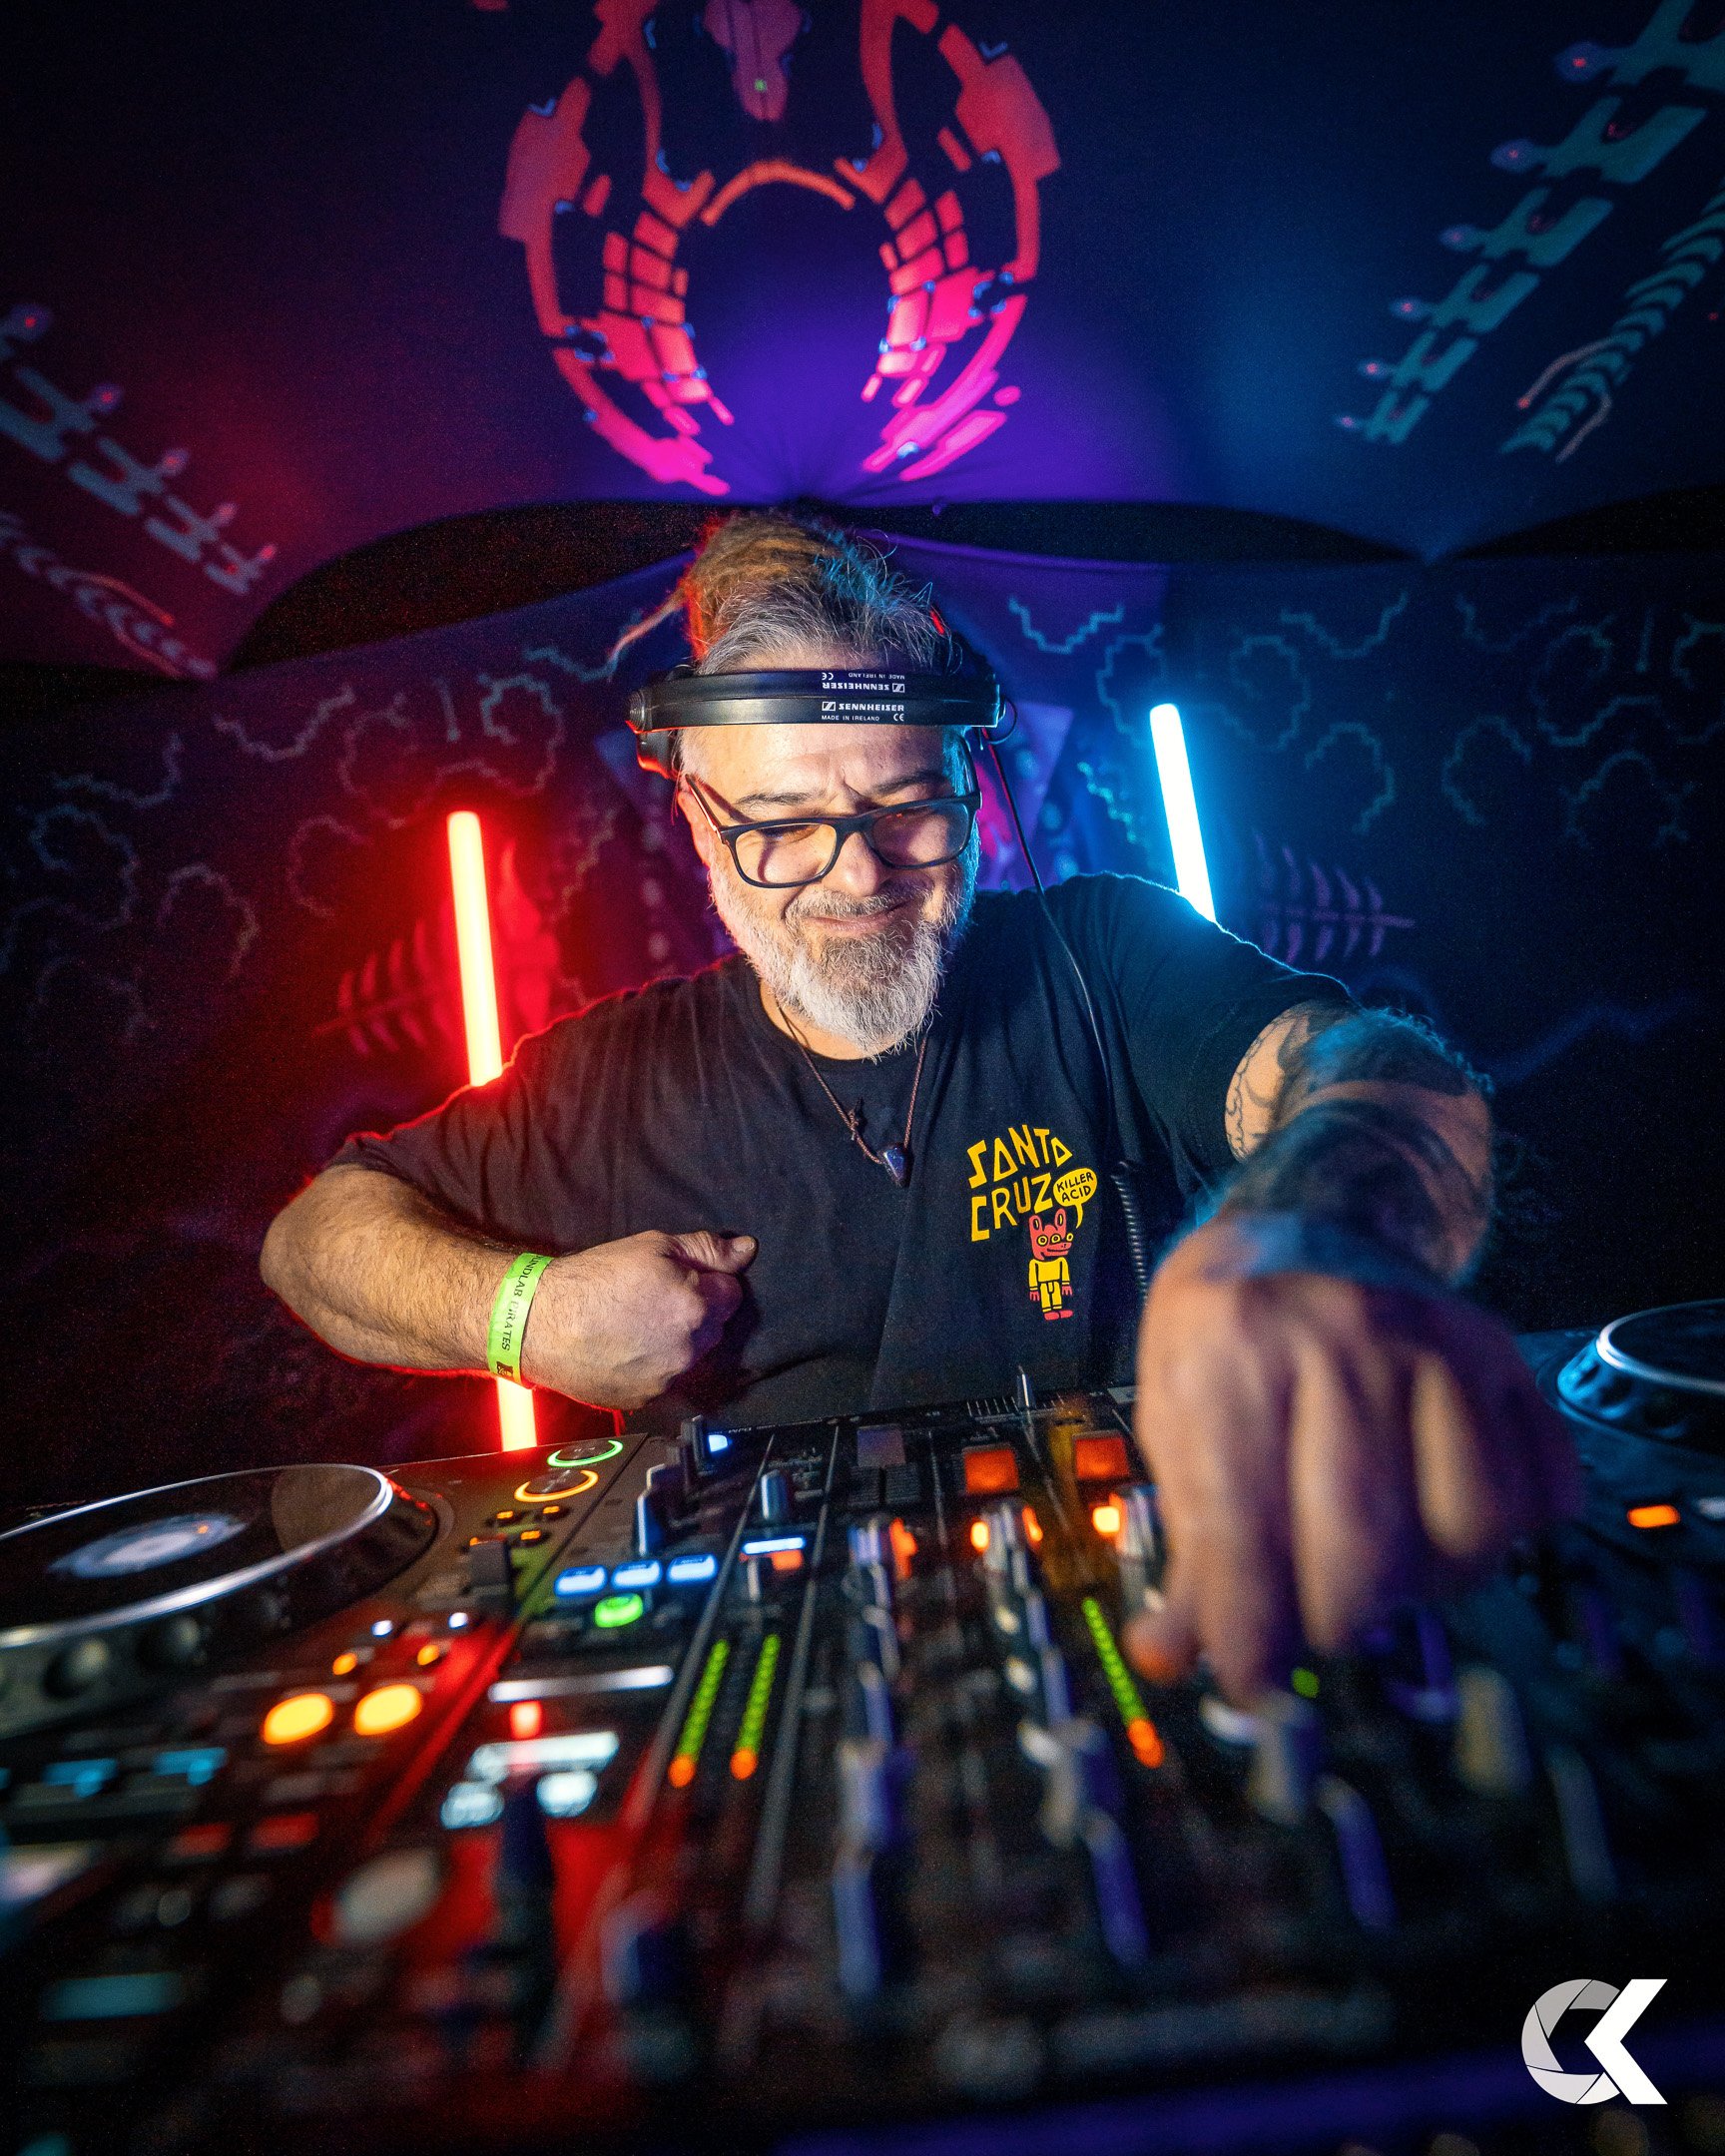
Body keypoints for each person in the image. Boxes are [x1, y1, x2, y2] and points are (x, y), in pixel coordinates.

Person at [262, 513, 1575, 1701]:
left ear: (967, 782)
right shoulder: (610, 1077)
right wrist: (523, 1314)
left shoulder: (1103, 952)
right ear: (693, 811)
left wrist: (1309, 1227)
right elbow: (316, 1240)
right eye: (780, 824)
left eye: (907, 812)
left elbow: (1373, 1071)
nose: (857, 878)